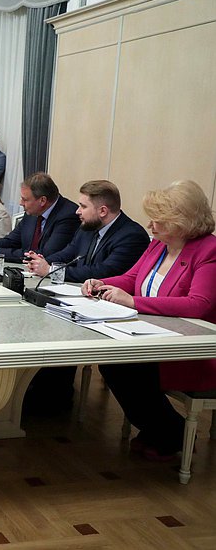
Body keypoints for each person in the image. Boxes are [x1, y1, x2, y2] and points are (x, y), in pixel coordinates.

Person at [83, 180, 216, 461]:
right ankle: (163, 430)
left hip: (192, 347)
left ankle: (171, 432)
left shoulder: (208, 251)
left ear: (183, 221)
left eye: (159, 220)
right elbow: (132, 279)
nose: (151, 225)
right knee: (113, 362)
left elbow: (199, 305)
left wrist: (133, 302)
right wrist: (100, 282)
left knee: (126, 368)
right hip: (153, 333)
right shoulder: (158, 245)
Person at [26, 180, 150, 283]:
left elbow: (103, 272)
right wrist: (42, 262)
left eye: (83, 206)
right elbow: (68, 253)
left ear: (103, 211)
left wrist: (50, 270)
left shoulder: (132, 236)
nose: (77, 211)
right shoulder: (88, 227)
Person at [0, 173, 78, 262]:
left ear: (42, 201)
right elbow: (12, 240)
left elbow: (45, 255)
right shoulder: (32, 211)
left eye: (25, 199)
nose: (20, 203)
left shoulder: (68, 216)